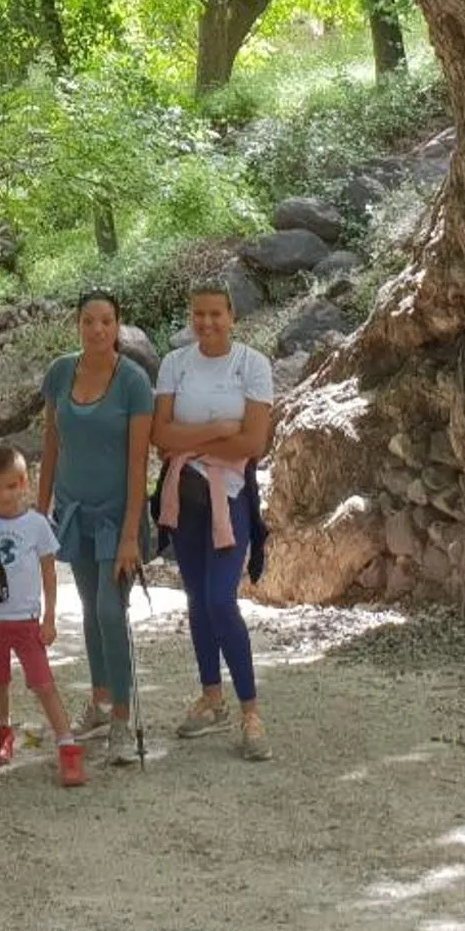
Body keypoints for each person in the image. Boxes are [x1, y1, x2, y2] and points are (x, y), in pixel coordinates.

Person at [151, 280, 276, 761]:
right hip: (184, 496)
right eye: (199, 314)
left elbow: (253, 445)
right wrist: (221, 429)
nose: (207, 323)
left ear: (232, 317)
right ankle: (211, 696)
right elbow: (162, 436)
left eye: (216, 315)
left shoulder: (252, 364)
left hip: (231, 494)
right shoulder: (174, 364)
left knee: (221, 599)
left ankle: (250, 710)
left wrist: (193, 442)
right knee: (197, 600)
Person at [37, 289, 153, 767]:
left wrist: (130, 534)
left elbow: (138, 461)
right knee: (88, 608)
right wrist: (36, 514)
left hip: (117, 515)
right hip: (73, 511)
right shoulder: (61, 372)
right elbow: (51, 440)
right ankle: (101, 701)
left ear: (118, 326)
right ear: (78, 324)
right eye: (89, 321)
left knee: (111, 610)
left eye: (107, 321)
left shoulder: (134, 382)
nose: (98, 330)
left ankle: (123, 719)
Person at [0, 445, 87, 785]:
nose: (4, 495)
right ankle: (1, 733)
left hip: (26, 620)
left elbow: (49, 573)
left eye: (11, 486)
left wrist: (50, 618)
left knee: (43, 683)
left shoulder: (37, 525)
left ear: (24, 484)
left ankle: (67, 746)